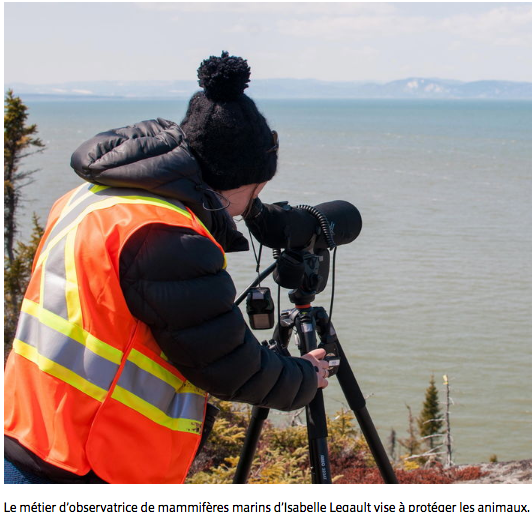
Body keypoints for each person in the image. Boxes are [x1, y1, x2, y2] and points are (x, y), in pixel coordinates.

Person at [4, 52, 329, 484]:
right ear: (241, 179)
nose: (251, 206)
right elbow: (229, 368)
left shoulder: (94, 197)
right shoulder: (168, 238)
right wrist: (305, 375)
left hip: (30, 428)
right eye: (256, 190)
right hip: (92, 461)